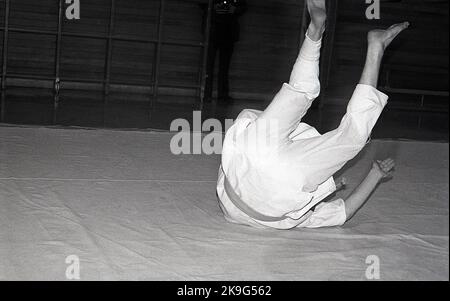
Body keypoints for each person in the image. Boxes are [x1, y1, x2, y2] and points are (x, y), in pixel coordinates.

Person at [216, 0, 409, 229]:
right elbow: (342, 213)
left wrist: (374, 176)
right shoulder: (293, 201)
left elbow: (344, 212)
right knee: (298, 91)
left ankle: (375, 48)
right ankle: (314, 32)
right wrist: (371, 176)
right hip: (250, 154)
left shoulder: (299, 205)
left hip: (282, 181)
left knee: (352, 137)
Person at [203, 0, 248, 103]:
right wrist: (213, 7)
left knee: (224, 67)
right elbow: (202, 4)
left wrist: (235, 9)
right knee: (209, 66)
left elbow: (244, 6)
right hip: (212, 30)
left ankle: (222, 95)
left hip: (228, 32)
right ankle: (206, 94)